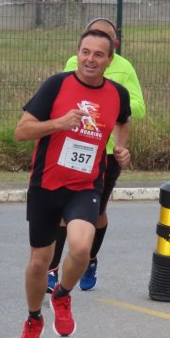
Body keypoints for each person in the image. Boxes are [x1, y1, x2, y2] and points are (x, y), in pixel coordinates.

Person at [14, 29, 132, 338]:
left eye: (98, 54)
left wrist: (120, 148)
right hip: (46, 185)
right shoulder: (57, 85)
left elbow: (123, 120)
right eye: (85, 52)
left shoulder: (118, 94)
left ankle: (63, 294)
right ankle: (33, 318)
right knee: (40, 262)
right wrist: (58, 124)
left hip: (85, 185)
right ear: (77, 53)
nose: (90, 59)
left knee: (81, 249)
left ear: (110, 60)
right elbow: (21, 131)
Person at [47, 18, 146, 293]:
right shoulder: (73, 62)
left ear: (112, 47)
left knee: (97, 213)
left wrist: (109, 97)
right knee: (63, 212)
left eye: (105, 39)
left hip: (105, 151)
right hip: (73, 146)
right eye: (91, 41)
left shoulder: (124, 68)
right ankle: (52, 270)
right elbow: (65, 94)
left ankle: (89, 260)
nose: (93, 53)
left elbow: (137, 108)